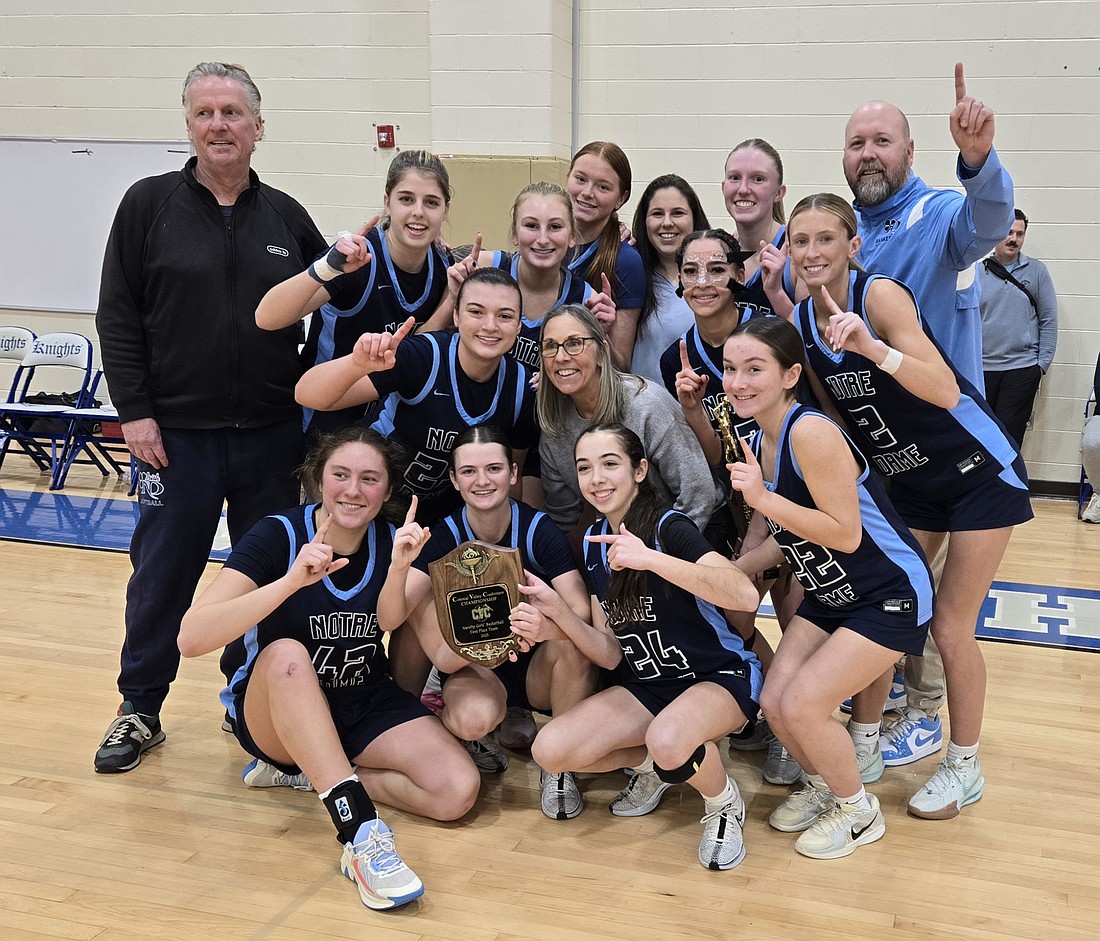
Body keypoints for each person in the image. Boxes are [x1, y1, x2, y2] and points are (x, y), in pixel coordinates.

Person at [92, 62, 327, 774]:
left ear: (259, 126)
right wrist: (134, 412)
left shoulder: (287, 216)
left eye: (232, 113)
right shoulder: (147, 206)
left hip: (269, 437)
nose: (218, 125)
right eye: (205, 114)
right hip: (175, 439)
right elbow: (118, 314)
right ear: (188, 126)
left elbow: (337, 302)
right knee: (162, 572)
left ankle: (243, 696)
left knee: (257, 576)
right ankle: (140, 706)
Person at [785, 193, 1033, 820]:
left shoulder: (879, 297)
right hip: (911, 483)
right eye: (800, 241)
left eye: (825, 239)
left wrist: (874, 349)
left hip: (977, 472)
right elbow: (839, 418)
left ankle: (964, 762)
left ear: (852, 246)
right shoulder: (804, 327)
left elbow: (945, 388)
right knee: (880, 608)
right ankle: (864, 743)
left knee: (950, 626)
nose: (813, 253)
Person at [178, 428, 479, 911]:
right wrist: (291, 582)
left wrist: (402, 568)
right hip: (275, 709)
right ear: (319, 479)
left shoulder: (394, 541)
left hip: (361, 697)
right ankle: (360, 834)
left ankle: (314, 773)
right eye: (340, 475)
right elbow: (191, 638)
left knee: (456, 792)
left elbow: (391, 620)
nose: (353, 490)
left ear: (387, 489)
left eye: (369, 479)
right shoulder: (277, 534)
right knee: (287, 654)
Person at [842, 62, 1015, 759]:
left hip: (950, 440)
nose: (869, 154)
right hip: (882, 448)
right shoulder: (844, 231)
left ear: (909, 152)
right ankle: (879, 715)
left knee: (942, 610)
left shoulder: (938, 212)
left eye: (882, 141)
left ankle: (929, 712)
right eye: (857, 143)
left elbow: (990, 220)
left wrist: (978, 159)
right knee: (892, 584)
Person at [724, 317, 932, 858]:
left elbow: (843, 532)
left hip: (888, 591)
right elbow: (789, 531)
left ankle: (860, 813)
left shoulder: (810, 432)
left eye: (754, 369)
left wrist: (764, 501)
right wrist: (741, 569)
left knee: (806, 704)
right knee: (775, 698)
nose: (738, 381)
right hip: (832, 592)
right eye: (730, 368)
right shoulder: (753, 435)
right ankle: (827, 787)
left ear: (791, 374)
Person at [525, 423, 762, 870]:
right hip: (650, 686)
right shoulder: (594, 544)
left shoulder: (669, 527)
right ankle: (661, 769)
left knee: (670, 738)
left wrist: (650, 558)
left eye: (609, 464)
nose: (596, 478)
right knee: (550, 750)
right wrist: (559, 617)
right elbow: (611, 652)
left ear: (639, 470)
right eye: (585, 468)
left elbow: (744, 595)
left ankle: (724, 804)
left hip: (718, 676)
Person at [377, 425, 600, 819]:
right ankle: (434, 728)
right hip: (476, 666)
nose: (482, 481)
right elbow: (389, 618)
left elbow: (580, 609)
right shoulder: (442, 535)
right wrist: (399, 568)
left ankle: (558, 768)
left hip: (536, 666)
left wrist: (545, 623)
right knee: (470, 718)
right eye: (468, 472)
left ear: (513, 474)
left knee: (574, 643)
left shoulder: (537, 529)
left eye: (494, 469)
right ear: (453, 479)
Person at [295, 267, 536, 525]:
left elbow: (514, 475)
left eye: (505, 316)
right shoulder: (424, 356)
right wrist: (357, 363)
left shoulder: (522, 386)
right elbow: (308, 394)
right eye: (476, 312)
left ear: (519, 325)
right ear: (456, 315)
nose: (490, 326)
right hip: (368, 500)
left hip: (438, 516)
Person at [256, 150, 455, 436]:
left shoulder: (444, 265)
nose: (418, 212)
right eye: (406, 199)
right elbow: (266, 318)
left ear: (445, 209)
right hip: (330, 427)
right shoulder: (358, 259)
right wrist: (326, 268)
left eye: (431, 202)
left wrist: (452, 298)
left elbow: (416, 352)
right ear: (387, 202)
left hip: (390, 435)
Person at [536, 304, 719, 542]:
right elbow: (564, 520)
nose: (561, 357)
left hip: (692, 535)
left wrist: (659, 559)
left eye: (574, 343)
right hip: (621, 544)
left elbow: (699, 496)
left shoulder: (645, 404)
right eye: (550, 346)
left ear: (602, 352)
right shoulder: (553, 427)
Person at [978, 208, 1058, 448]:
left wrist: (1040, 366)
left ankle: (1010, 486)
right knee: (980, 436)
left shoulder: (1037, 271)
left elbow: (1049, 320)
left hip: (1021, 369)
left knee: (1010, 438)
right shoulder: (975, 270)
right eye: (1008, 232)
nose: (1013, 239)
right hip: (981, 369)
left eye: (1019, 234)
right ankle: (982, 486)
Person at [566, 142, 645, 370]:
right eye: (580, 179)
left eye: (603, 187)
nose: (587, 193)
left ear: (621, 198)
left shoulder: (626, 261)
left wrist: (600, 335)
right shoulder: (543, 243)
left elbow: (622, 365)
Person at [629, 174, 711, 382]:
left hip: (698, 409)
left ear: (694, 218)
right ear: (644, 221)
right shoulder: (632, 276)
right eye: (657, 214)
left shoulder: (716, 280)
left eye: (677, 213)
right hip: (644, 409)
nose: (667, 223)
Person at [721, 138, 799, 318]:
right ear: (723, 187)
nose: (743, 189)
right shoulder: (720, 253)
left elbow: (813, 338)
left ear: (779, 193)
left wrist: (777, 293)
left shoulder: (796, 253)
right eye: (735, 178)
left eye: (758, 179)